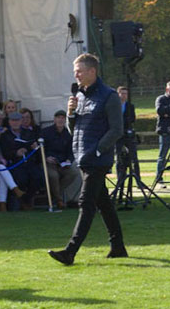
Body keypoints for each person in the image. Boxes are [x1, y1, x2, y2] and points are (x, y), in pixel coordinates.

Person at [48, 53, 126, 265]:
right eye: (75, 72)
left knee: (86, 203)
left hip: (96, 160)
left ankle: (70, 251)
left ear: (92, 71)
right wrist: (71, 114)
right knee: (104, 203)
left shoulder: (108, 96)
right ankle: (118, 246)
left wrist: (98, 151)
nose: (76, 76)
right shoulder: (79, 96)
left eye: (79, 71)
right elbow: (75, 129)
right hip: (83, 157)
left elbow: (117, 130)